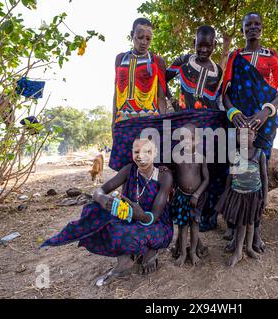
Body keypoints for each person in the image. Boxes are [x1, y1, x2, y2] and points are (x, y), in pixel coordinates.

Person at [41, 137, 173, 286]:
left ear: (155, 153)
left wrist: (140, 214)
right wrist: (102, 198)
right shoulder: (129, 170)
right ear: (131, 153)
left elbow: (154, 217)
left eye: (147, 152)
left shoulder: (164, 176)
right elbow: (99, 191)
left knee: (129, 234)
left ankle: (150, 252)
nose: (141, 156)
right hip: (129, 218)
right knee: (94, 211)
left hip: (156, 224)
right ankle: (125, 260)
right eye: (137, 152)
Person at [221, 12, 278, 253]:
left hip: (264, 124)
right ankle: (234, 226)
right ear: (242, 29)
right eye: (247, 24)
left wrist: (266, 112)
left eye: (256, 24)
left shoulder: (272, 56)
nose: (252, 27)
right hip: (238, 125)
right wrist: (233, 113)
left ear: (262, 27)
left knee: (257, 177)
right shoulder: (235, 57)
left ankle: (255, 230)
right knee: (236, 173)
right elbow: (225, 93)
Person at [166, 25, 227, 233]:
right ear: (194, 42)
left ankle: (206, 216)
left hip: (209, 131)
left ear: (214, 45)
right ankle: (180, 213)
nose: (203, 49)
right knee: (181, 170)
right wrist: (173, 102)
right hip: (184, 127)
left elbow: (218, 99)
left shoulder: (217, 71)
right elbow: (163, 80)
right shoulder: (183, 62)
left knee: (208, 171)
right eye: (199, 45)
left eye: (207, 46)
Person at [109, 17, 167, 171]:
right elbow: (116, 93)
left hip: (149, 122)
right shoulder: (120, 59)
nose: (144, 42)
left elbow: (161, 97)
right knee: (125, 167)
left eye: (148, 38)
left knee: (147, 166)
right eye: (140, 37)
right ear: (131, 35)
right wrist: (113, 122)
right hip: (123, 122)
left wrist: (162, 125)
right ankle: (126, 196)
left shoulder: (157, 62)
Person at [215, 128, 268, 267]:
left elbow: (264, 176)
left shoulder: (259, 154)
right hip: (238, 193)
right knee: (241, 223)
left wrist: (265, 197)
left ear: (255, 136)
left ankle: (249, 248)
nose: (244, 137)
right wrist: (226, 192)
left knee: (251, 222)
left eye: (248, 134)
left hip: (254, 194)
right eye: (240, 134)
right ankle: (238, 252)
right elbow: (231, 174)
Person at [170, 124, 209, 266]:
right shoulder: (176, 157)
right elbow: (171, 174)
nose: (187, 141)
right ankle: (183, 253)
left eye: (191, 138)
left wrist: (197, 194)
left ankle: (193, 252)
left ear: (197, 140)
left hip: (196, 198)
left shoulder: (201, 157)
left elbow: (206, 179)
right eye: (183, 138)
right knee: (182, 226)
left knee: (194, 225)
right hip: (181, 197)